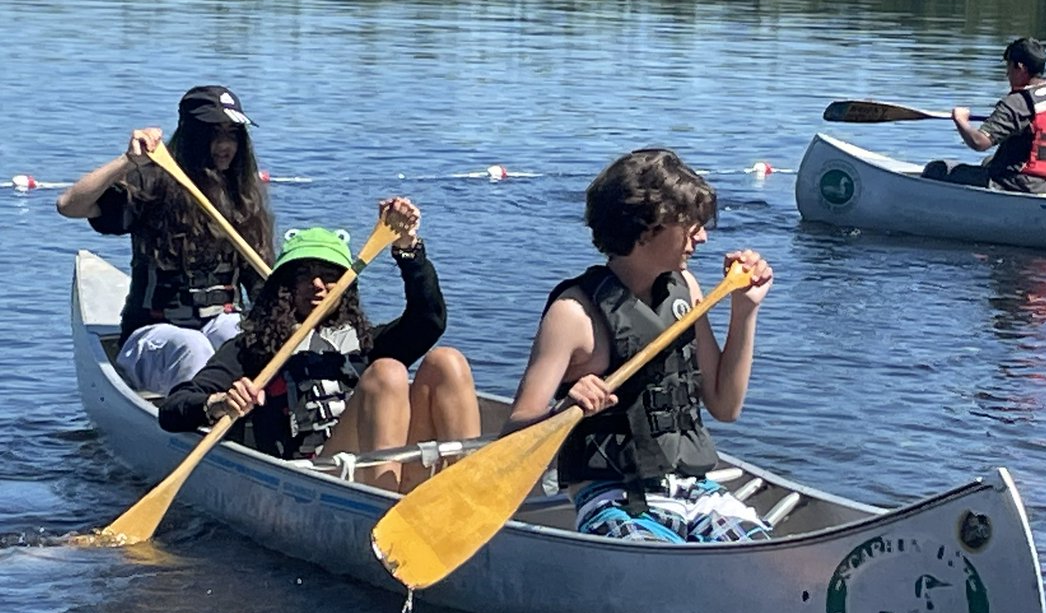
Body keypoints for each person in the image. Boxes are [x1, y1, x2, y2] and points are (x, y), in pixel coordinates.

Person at [504, 148, 774, 543]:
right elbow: (512, 438)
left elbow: (725, 405)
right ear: (648, 227)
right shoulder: (573, 314)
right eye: (690, 223)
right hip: (612, 495)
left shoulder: (687, 290)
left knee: (766, 558)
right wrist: (565, 408)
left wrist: (744, 311)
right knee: (672, 566)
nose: (702, 236)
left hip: (695, 490)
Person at [157, 198, 481, 493]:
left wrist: (408, 249)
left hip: (374, 463)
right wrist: (219, 402)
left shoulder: (365, 343)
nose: (318, 286)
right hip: (318, 473)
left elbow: (429, 319)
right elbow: (173, 409)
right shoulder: (253, 348)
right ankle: (384, 501)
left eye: (330, 276)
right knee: (388, 372)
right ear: (285, 287)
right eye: (305, 276)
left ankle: (469, 489)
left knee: (446, 362)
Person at [56, 86, 274, 394]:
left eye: (232, 134)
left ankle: (249, 423)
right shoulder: (153, 184)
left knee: (239, 335)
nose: (225, 146)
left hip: (217, 323)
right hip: (151, 336)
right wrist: (127, 162)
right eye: (215, 134)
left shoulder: (242, 197)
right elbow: (69, 206)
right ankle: (192, 414)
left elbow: (262, 287)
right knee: (192, 345)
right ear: (193, 135)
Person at [923, 37, 1046, 195]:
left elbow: (979, 142)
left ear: (1020, 67)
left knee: (936, 169)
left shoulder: (1017, 102)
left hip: (1016, 185)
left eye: (1008, 67)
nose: (1007, 74)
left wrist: (960, 120)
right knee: (989, 161)